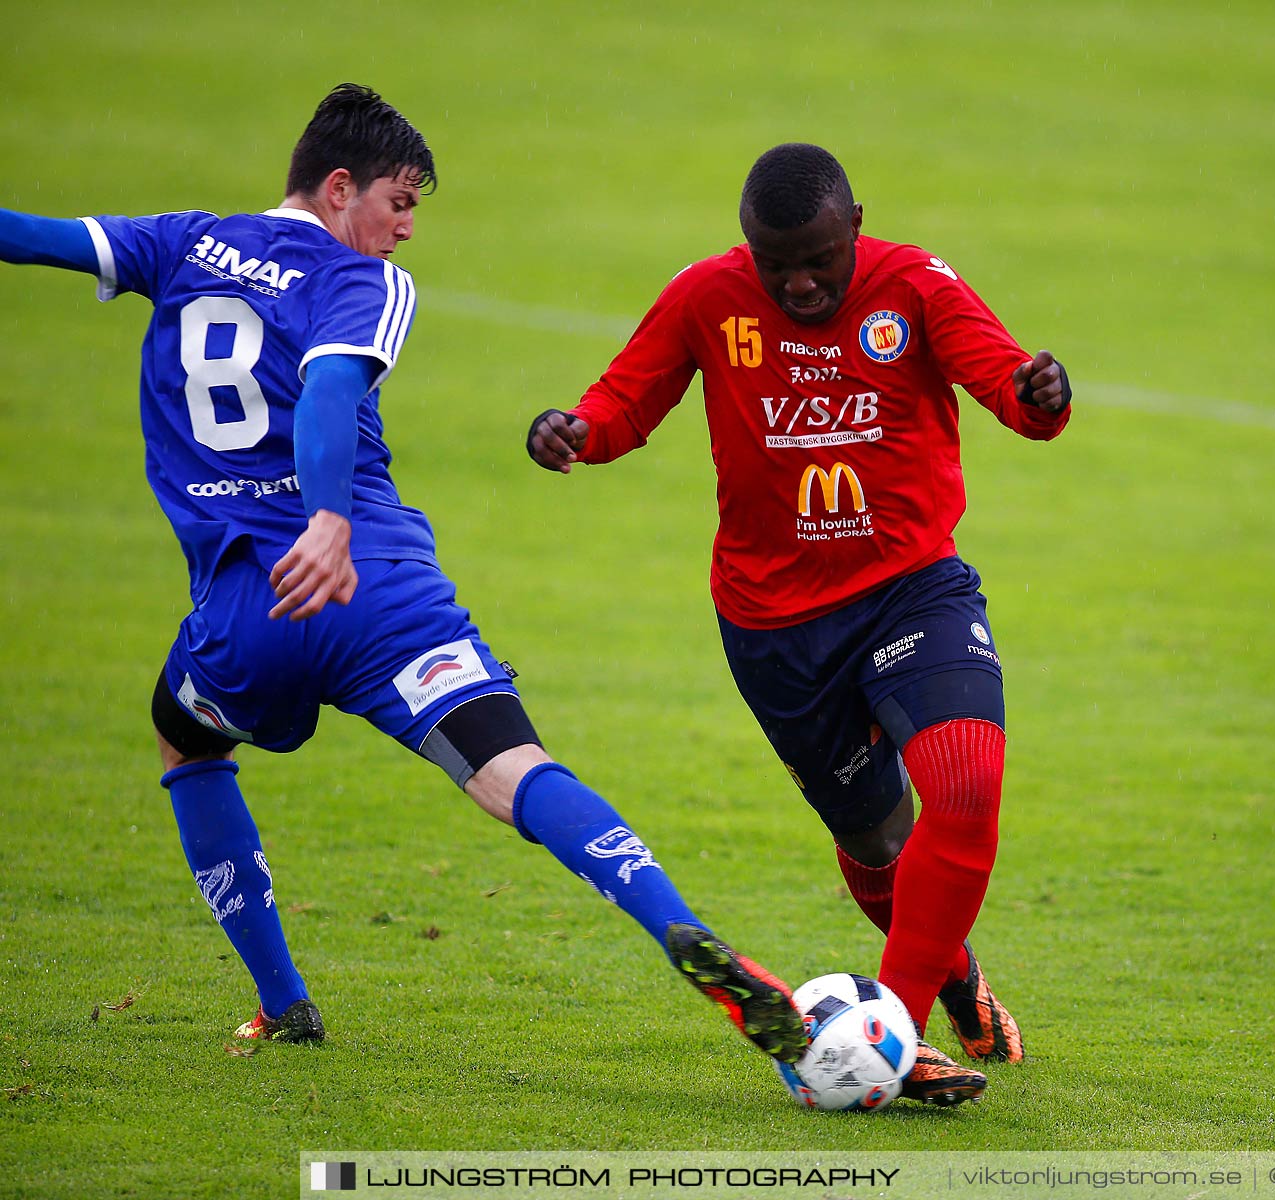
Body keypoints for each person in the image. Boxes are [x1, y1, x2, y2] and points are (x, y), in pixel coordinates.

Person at [0, 84, 804, 1064]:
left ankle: (284, 1001)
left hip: (249, 617)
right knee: (514, 771)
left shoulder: (177, 241)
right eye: (401, 201)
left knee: (188, 746)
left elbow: (27, 233)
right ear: (339, 188)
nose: (408, 228)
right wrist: (330, 519)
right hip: (374, 587)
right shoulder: (362, 284)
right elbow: (334, 385)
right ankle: (686, 933)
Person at [527, 142, 1071, 1106]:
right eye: (776, 264)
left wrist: (1038, 396)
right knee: (876, 842)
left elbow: (1007, 382)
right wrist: (575, 430)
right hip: (775, 627)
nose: (800, 281)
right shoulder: (706, 297)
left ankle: (892, 1033)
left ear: (854, 225)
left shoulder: (916, 286)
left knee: (966, 782)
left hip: (911, 587)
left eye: (819, 258)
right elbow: (623, 403)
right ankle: (955, 981)